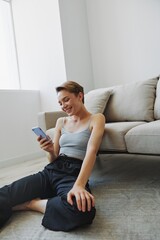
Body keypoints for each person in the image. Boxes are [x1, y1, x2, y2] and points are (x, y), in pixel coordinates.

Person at [0, 81, 105, 231]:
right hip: (52, 170)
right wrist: (49, 150)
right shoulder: (61, 121)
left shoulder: (97, 118)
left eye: (66, 99)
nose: (63, 106)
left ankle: (32, 204)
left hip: (74, 174)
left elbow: (92, 151)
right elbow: (54, 158)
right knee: (5, 193)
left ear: (80, 96)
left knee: (82, 209)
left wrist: (79, 185)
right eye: (60, 102)